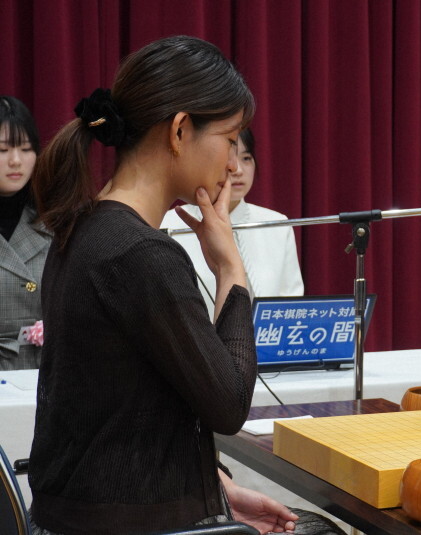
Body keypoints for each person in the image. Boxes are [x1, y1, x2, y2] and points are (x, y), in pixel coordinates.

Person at [28, 35, 343, 535]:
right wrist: (230, 271)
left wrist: (215, 486)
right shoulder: (141, 253)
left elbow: (125, 408)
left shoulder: (85, 228)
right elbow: (229, 404)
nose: (234, 165)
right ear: (179, 131)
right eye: (230, 138)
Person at [161, 127, 304, 319]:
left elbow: (291, 302)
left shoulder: (277, 224)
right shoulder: (168, 224)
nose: (237, 169)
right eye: (227, 157)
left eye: (246, 158)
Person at [0, 95, 51, 370]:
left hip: (44, 379)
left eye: (26, 148)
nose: (16, 161)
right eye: (2, 150)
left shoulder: (56, 222)